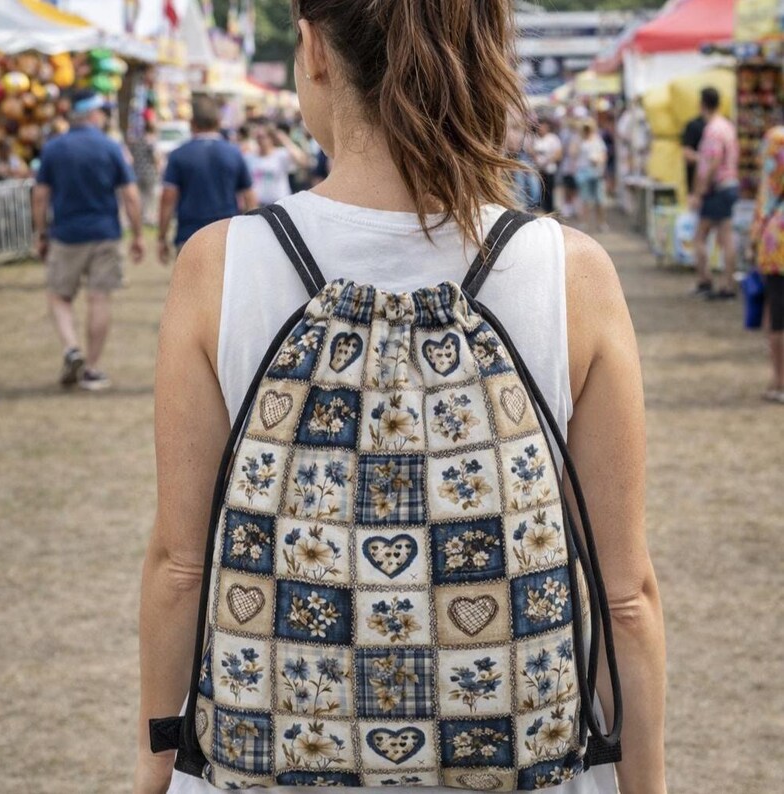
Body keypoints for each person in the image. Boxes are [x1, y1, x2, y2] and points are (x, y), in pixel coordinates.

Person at [136, 2, 666, 793]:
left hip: (267, 760)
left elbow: (180, 566)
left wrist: (155, 770)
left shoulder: (222, 264)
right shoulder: (571, 271)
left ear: (313, 50)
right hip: (521, 762)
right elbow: (625, 596)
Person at [32, 89, 143, 391]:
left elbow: (41, 195)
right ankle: (92, 369)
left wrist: (40, 233)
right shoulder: (110, 147)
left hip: (66, 235)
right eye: (102, 111)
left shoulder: (54, 148)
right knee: (99, 298)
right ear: (93, 114)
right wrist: (137, 235)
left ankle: (72, 348)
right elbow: (130, 195)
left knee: (58, 295)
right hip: (105, 233)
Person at [158, 96, 257, 263]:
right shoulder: (234, 153)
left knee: (191, 287)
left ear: (192, 123)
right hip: (227, 235)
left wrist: (162, 236)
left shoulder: (178, 155)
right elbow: (249, 195)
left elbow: (168, 198)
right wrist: (252, 233)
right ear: (218, 122)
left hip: (189, 235)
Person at [690, 87, 740, 299]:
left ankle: (705, 279)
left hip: (716, 189)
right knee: (726, 237)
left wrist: (701, 191)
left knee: (700, 237)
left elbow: (712, 162)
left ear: (702, 104)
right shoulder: (727, 126)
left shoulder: (712, 130)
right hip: (729, 185)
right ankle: (727, 284)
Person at [750, 125, 784, 403]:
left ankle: (779, 379)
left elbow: (768, 192)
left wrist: (755, 235)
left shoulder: (776, 139)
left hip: (779, 239)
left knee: (778, 312)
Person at [248, 120, 311, 206]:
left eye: (262, 137)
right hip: (259, 205)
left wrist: (284, 139)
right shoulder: (250, 157)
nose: (259, 140)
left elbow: (303, 161)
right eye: (257, 137)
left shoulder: (281, 154)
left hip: (279, 204)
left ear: (271, 138)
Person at [575, 117, 609, 232]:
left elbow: (604, 156)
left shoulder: (597, 140)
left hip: (596, 173)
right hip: (584, 173)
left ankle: (601, 222)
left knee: (600, 200)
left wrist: (598, 160)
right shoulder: (580, 140)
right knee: (585, 200)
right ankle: (584, 222)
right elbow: (572, 153)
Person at [129, 120, 162, 226]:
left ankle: (142, 217)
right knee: (151, 196)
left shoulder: (136, 142)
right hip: (150, 173)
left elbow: (132, 157)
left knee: (141, 196)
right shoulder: (150, 142)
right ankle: (150, 218)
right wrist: (159, 168)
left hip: (137, 173)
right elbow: (155, 158)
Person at [533, 117, 562, 214]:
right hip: (539, 171)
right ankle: (545, 210)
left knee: (550, 192)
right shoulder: (536, 139)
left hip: (549, 170)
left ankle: (551, 211)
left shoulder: (553, 138)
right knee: (541, 193)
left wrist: (548, 160)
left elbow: (559, 153)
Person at [681, 113, 706, 198]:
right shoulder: (694, 125)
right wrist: (705, 160)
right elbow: (686, 153)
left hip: (710, 187)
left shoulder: (718, 126)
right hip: (695, 186)